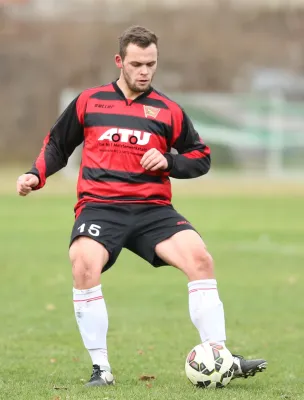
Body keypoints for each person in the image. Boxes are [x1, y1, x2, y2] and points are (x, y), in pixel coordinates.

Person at [16, 25, 267, 387]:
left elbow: (201, 158)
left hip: (153, 211)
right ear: (120, 61)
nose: (144, 71)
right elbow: (57, 144)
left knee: (200, 259)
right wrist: (35, 175)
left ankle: (220, 357)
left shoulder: (168, 110)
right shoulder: (90, 101)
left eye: (151, 64)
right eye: (136, 63)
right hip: (101, 206)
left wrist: (168, 161)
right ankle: (101, 369)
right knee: (84, 264)